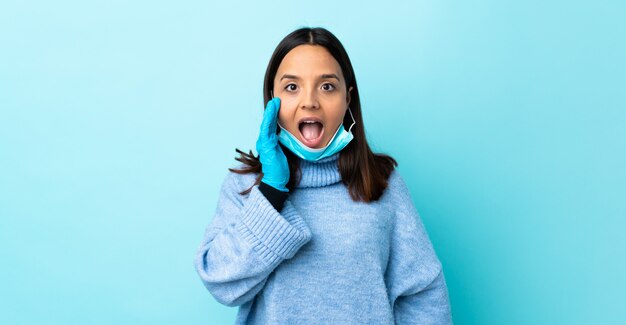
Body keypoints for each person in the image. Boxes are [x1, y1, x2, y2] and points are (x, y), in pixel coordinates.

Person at [194, 26, 453, 324]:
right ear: (271, 102)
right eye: (292, 87)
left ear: (347, 99)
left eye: (327, 86)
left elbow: (423, 294)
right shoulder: (245, 186)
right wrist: (272, 191)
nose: (310, 102)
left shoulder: (383, 184)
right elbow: (221, 283)